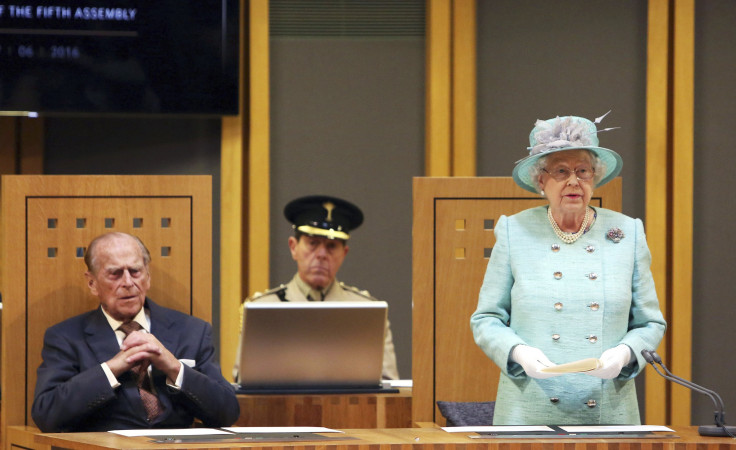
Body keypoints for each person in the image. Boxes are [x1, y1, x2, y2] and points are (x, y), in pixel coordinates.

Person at [470, 113, 666, 425]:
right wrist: (517, 351)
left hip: (608, 409)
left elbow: (650, 323)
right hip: (528, 407)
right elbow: (486, 319)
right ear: (540, 180)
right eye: (561, 171)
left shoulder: (628, 232)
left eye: (583, 171)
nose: (573, 181)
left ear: (595, 178)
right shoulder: (513, 231)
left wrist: (626, 354)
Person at [32, 232, 240, 432]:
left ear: (148, 277)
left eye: (135, 272)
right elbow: (47, 414)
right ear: (92, 283)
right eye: (115, 274)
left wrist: (174, 367)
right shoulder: (66, 337)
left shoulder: (192, 331)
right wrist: (112, 368)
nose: (128, 283)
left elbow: (227, 412)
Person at [234, 195, 399, 381]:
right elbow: (243, 383)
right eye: (313, 243)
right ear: (293, 247)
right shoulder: (262, 309)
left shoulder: (367, 313)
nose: (321, 255)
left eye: (331, 246)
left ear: (344, 253)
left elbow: (387, 383)